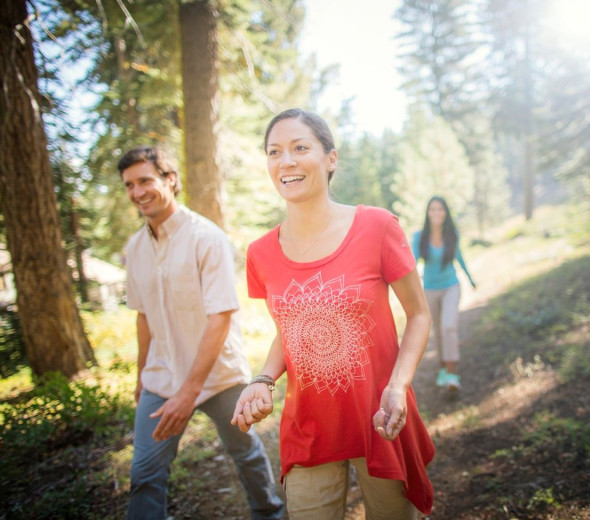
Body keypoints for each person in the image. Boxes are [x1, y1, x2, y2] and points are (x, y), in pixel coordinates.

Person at [230, 108, 435, 519]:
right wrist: (262, 379)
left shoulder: (377, 226)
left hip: (380, 416)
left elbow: (419, 315)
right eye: (274, 152)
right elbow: (291, 332)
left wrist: (398, 386)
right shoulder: (261, 252)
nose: (285, 161)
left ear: (331, 159)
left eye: (299, 148)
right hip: (308, 427)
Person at [118, 145, 284, 520]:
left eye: (145, 180)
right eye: (129, 185)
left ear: (169, 179)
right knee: (144, 473)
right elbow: (143, 318)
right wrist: (141, 376)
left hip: (220, 375)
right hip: (162, 378)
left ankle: (269, 513)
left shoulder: (206, 238)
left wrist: (189, 393)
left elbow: (220, 317)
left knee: (244, 451)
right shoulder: (135, 248)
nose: (137, 192)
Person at [411, 196, 476, 391]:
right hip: (429, 289)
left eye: (440, 209)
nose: (437, 213)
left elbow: (460, 258)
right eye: (433, 209)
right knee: (438, 331)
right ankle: (442, 369)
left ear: (445, 213)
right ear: (428, 213)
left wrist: (470, 278)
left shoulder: (452, 234)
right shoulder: (418, 237)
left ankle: (452, 373)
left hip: (451, 287)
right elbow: (411, 264)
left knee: (448, 326)